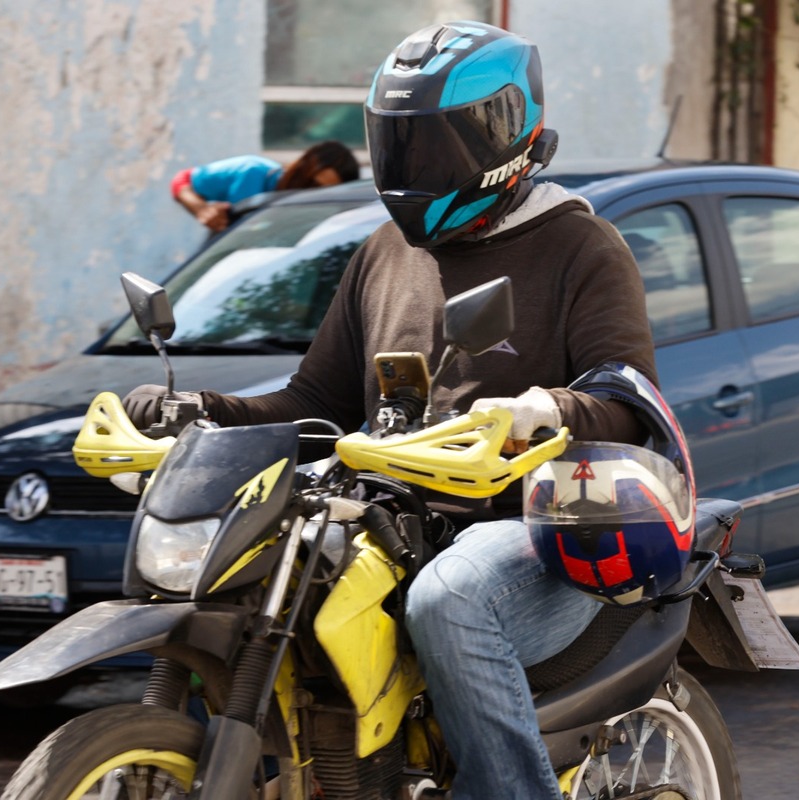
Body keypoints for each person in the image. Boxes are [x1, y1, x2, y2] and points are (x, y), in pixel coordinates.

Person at [125, 21, 658, 800]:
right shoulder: (383, 251)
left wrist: (543, 408)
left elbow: (625, 398)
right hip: (386, 516)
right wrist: (200, 408)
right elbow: (315, 403)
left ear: (504, 135)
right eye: (398, 145)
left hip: (529, 528)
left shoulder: (581, 247)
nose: (411, 168)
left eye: (432, 147)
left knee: (450, 603)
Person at [170, 140, 359, 232]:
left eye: (321, 192)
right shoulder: (251, 171)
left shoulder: (321, 220)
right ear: (301, 164)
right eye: (311, 183)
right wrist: (202, 209)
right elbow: (181, 180)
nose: (309, 192)